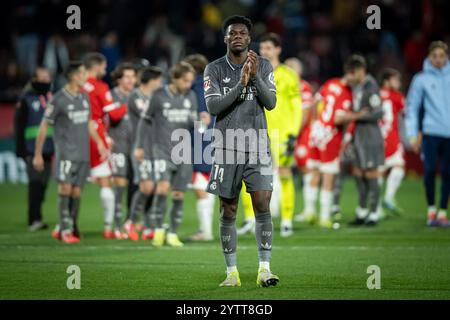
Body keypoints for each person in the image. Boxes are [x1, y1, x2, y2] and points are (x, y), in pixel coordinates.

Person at [204, 15, 279, 287]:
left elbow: (270, 102)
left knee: (262, 204)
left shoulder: (265, 65)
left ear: (249, 38)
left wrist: (255, 76)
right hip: (226, 148)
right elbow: (214, 108)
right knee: (228, 210)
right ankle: (232, 273)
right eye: (232, 33)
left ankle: (264, 269)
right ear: (225, 38)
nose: (237, 36)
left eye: (242, 33)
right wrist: (241, 84)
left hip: (257, 147)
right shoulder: (213, 69)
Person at [33, 61, 107, 243]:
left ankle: (71, 226)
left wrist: (99, 143)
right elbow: (44, 126)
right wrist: (38, 154)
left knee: (76, 192)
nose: (85, 77)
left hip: (83, 153)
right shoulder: (58, 99)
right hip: (66, 153)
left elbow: (89, 123)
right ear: (74, 76)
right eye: (83, 73)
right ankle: (65, 229)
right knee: (65, 188)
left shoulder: (84, 97)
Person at [237, 33, 302, 238]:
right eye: (262, 48)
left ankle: (287, 221)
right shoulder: (250, 71)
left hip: (281, 133)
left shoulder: (289, 75)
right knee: (245, 174)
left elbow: (296, 106)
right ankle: (249, 218)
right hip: (255, 131)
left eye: (268, 48)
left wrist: (293, 132)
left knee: (284, 174)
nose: (264, 51)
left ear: (278, 50)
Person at [146, 62, 198, 247]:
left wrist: (200, 121)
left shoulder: (190, 96)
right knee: (162, 188)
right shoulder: (158, 95)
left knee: (178, 194)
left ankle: (173, 233)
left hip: (183, 151)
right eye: (185, 80)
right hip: (161, 149)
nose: (188, 84)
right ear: (175, 78)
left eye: (191, 81)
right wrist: (141, 146)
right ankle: (158, 229)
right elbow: (146, 121)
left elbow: (193, 123)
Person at [82, 52, 127, 238]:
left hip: (75, 135)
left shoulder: (77, 87)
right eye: (103, 66)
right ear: (96, 67)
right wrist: (128, 104)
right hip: (96, 134)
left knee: (70, 185)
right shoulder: (100, 87)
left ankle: (64, 227)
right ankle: (109, 227)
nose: (105, 69)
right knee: (106, 181)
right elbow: (114, 114)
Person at [405, 41, 450, 227]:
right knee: (430, 171)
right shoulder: (420, 79)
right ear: (429, 57)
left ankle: (442, 212)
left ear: (447, 56)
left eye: (441, 56)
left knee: (448, 173)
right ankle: (431, 210)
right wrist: (412, 136)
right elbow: (412, 109)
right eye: (435, 56)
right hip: (431, 132)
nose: (438, 60)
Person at [345, 55, 385, 226]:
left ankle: (374, 213)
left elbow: (378, 112)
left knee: (370, 175)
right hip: (359, 136)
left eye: (352, 73)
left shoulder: (371, 85)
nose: (349, 77)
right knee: (359, 175)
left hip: (370, 136)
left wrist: (357, 115)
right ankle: (361, 212)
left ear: (360, 70)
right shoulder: (357, 86)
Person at [124, 66, 163, 241]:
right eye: (159, 80)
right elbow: (147, 117)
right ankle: (131, 221)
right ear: (153, 80)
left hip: (155, 147)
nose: (161, 83)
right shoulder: (135, 97)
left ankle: (148, 225)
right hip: (140, 147)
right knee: (145, 186)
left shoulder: (155, 97)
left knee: (154, 186)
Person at [15, 67, 53, 231]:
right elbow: (19, 126)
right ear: (34, 79)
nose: (45, 81)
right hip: (31, 149)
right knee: (35, 184)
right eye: (42, 78)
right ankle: (33, 219)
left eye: (47, 77)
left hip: (48, 149)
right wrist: (21, 150)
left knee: (43, 185)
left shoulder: (51, 98)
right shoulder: (26, 99)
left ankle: (38, 217)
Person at [183, 54, 216, 242]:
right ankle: (207, 230)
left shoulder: (196, 87)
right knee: (205, 182)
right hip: (214, 137)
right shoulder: (213, 85)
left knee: (199, 185)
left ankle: (206, 231)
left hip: (200, 139)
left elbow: (202, 116)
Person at [109, 63, 137, 238]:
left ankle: (131, 222)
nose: (131, 80)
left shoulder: (138, 95)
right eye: (127, 77)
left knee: (137, 186)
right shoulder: (111, 95)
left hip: (136, 147)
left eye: (133, 77)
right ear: (119, 79)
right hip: (118, 145)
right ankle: (117, 225)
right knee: (120, 185)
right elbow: (113, 116)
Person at [378, 68, 406, 215]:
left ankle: (377, 205)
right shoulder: (397, 96)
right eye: (395, 80)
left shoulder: (375, 93)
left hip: (377, 137)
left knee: (380, 171)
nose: (399, 83)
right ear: (386, 81)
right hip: (391, 136)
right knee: (399, 166)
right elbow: (407, 112)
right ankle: (388, 198)